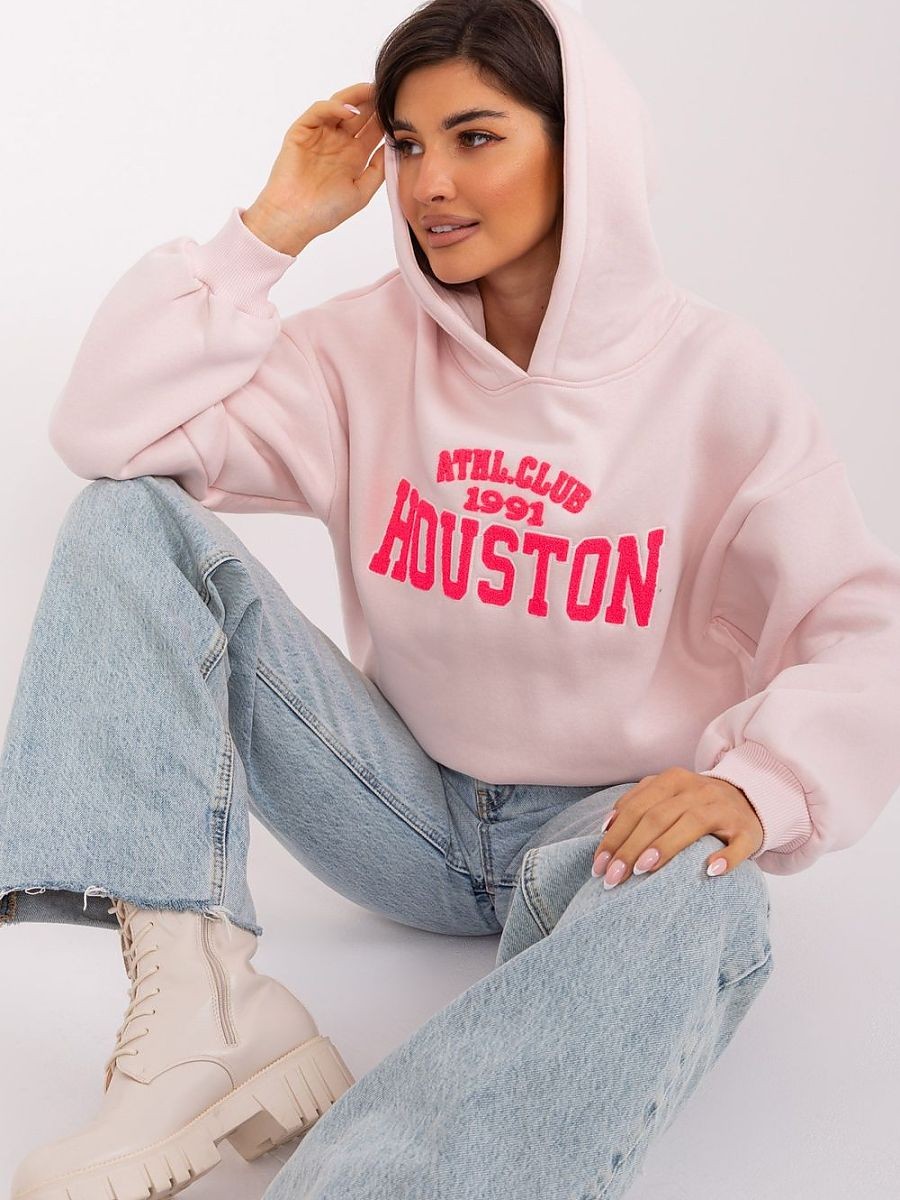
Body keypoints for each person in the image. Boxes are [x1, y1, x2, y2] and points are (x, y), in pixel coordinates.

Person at [3, 0, 899, 1196]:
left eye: (477, 137)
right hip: (398, 809)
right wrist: (266, 237)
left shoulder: (715, 377)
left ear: (583, 152)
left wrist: (759, 786)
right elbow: (106, 432)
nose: (429, 182)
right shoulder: (361, 350)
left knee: (710, 895)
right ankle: (203, 1022)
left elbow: (860, 624)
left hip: (605, 831)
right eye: (410, 144)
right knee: (125, 519)